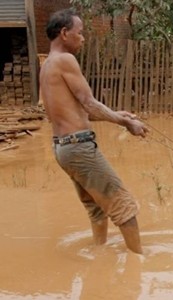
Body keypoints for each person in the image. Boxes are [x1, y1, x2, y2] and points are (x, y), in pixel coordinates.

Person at [39, 8, 148, 254]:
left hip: (63, 148)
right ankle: (139, 261)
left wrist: (116, 115)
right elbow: (89, 103)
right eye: (80, 32)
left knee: (96, 207)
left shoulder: (47, 65)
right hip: (79, 147)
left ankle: (99, 254)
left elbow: (75, 113)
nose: (83, 37)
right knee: (124, 207)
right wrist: (127, 123)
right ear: (64, 33)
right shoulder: (65, 60)